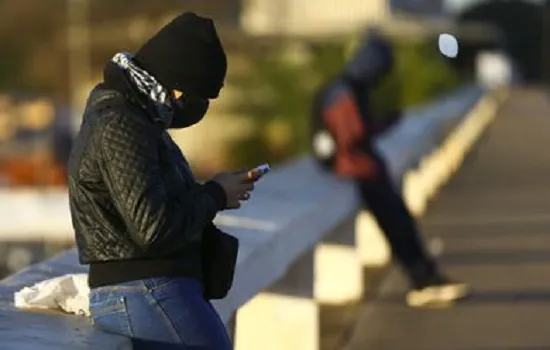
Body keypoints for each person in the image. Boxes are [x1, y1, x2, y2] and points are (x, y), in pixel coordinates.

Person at [68, 12, 256, 349]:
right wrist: (214, 195)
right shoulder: (121, 123)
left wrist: (216, 189)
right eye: (200, 97)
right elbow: (153, 228)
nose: (199, 108)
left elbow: (153, 208)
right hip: (144, 288)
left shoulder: (140, 117)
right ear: (178, 89)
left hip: (153, 289)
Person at [310, 30, 469, 307]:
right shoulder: (344, 91)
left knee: (400, 223)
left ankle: (426, 277)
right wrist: (383, 123)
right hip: (358, 170)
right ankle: (424, 281)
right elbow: (352, 136)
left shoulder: (342, 86)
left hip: (357, 167)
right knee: (398, 225)